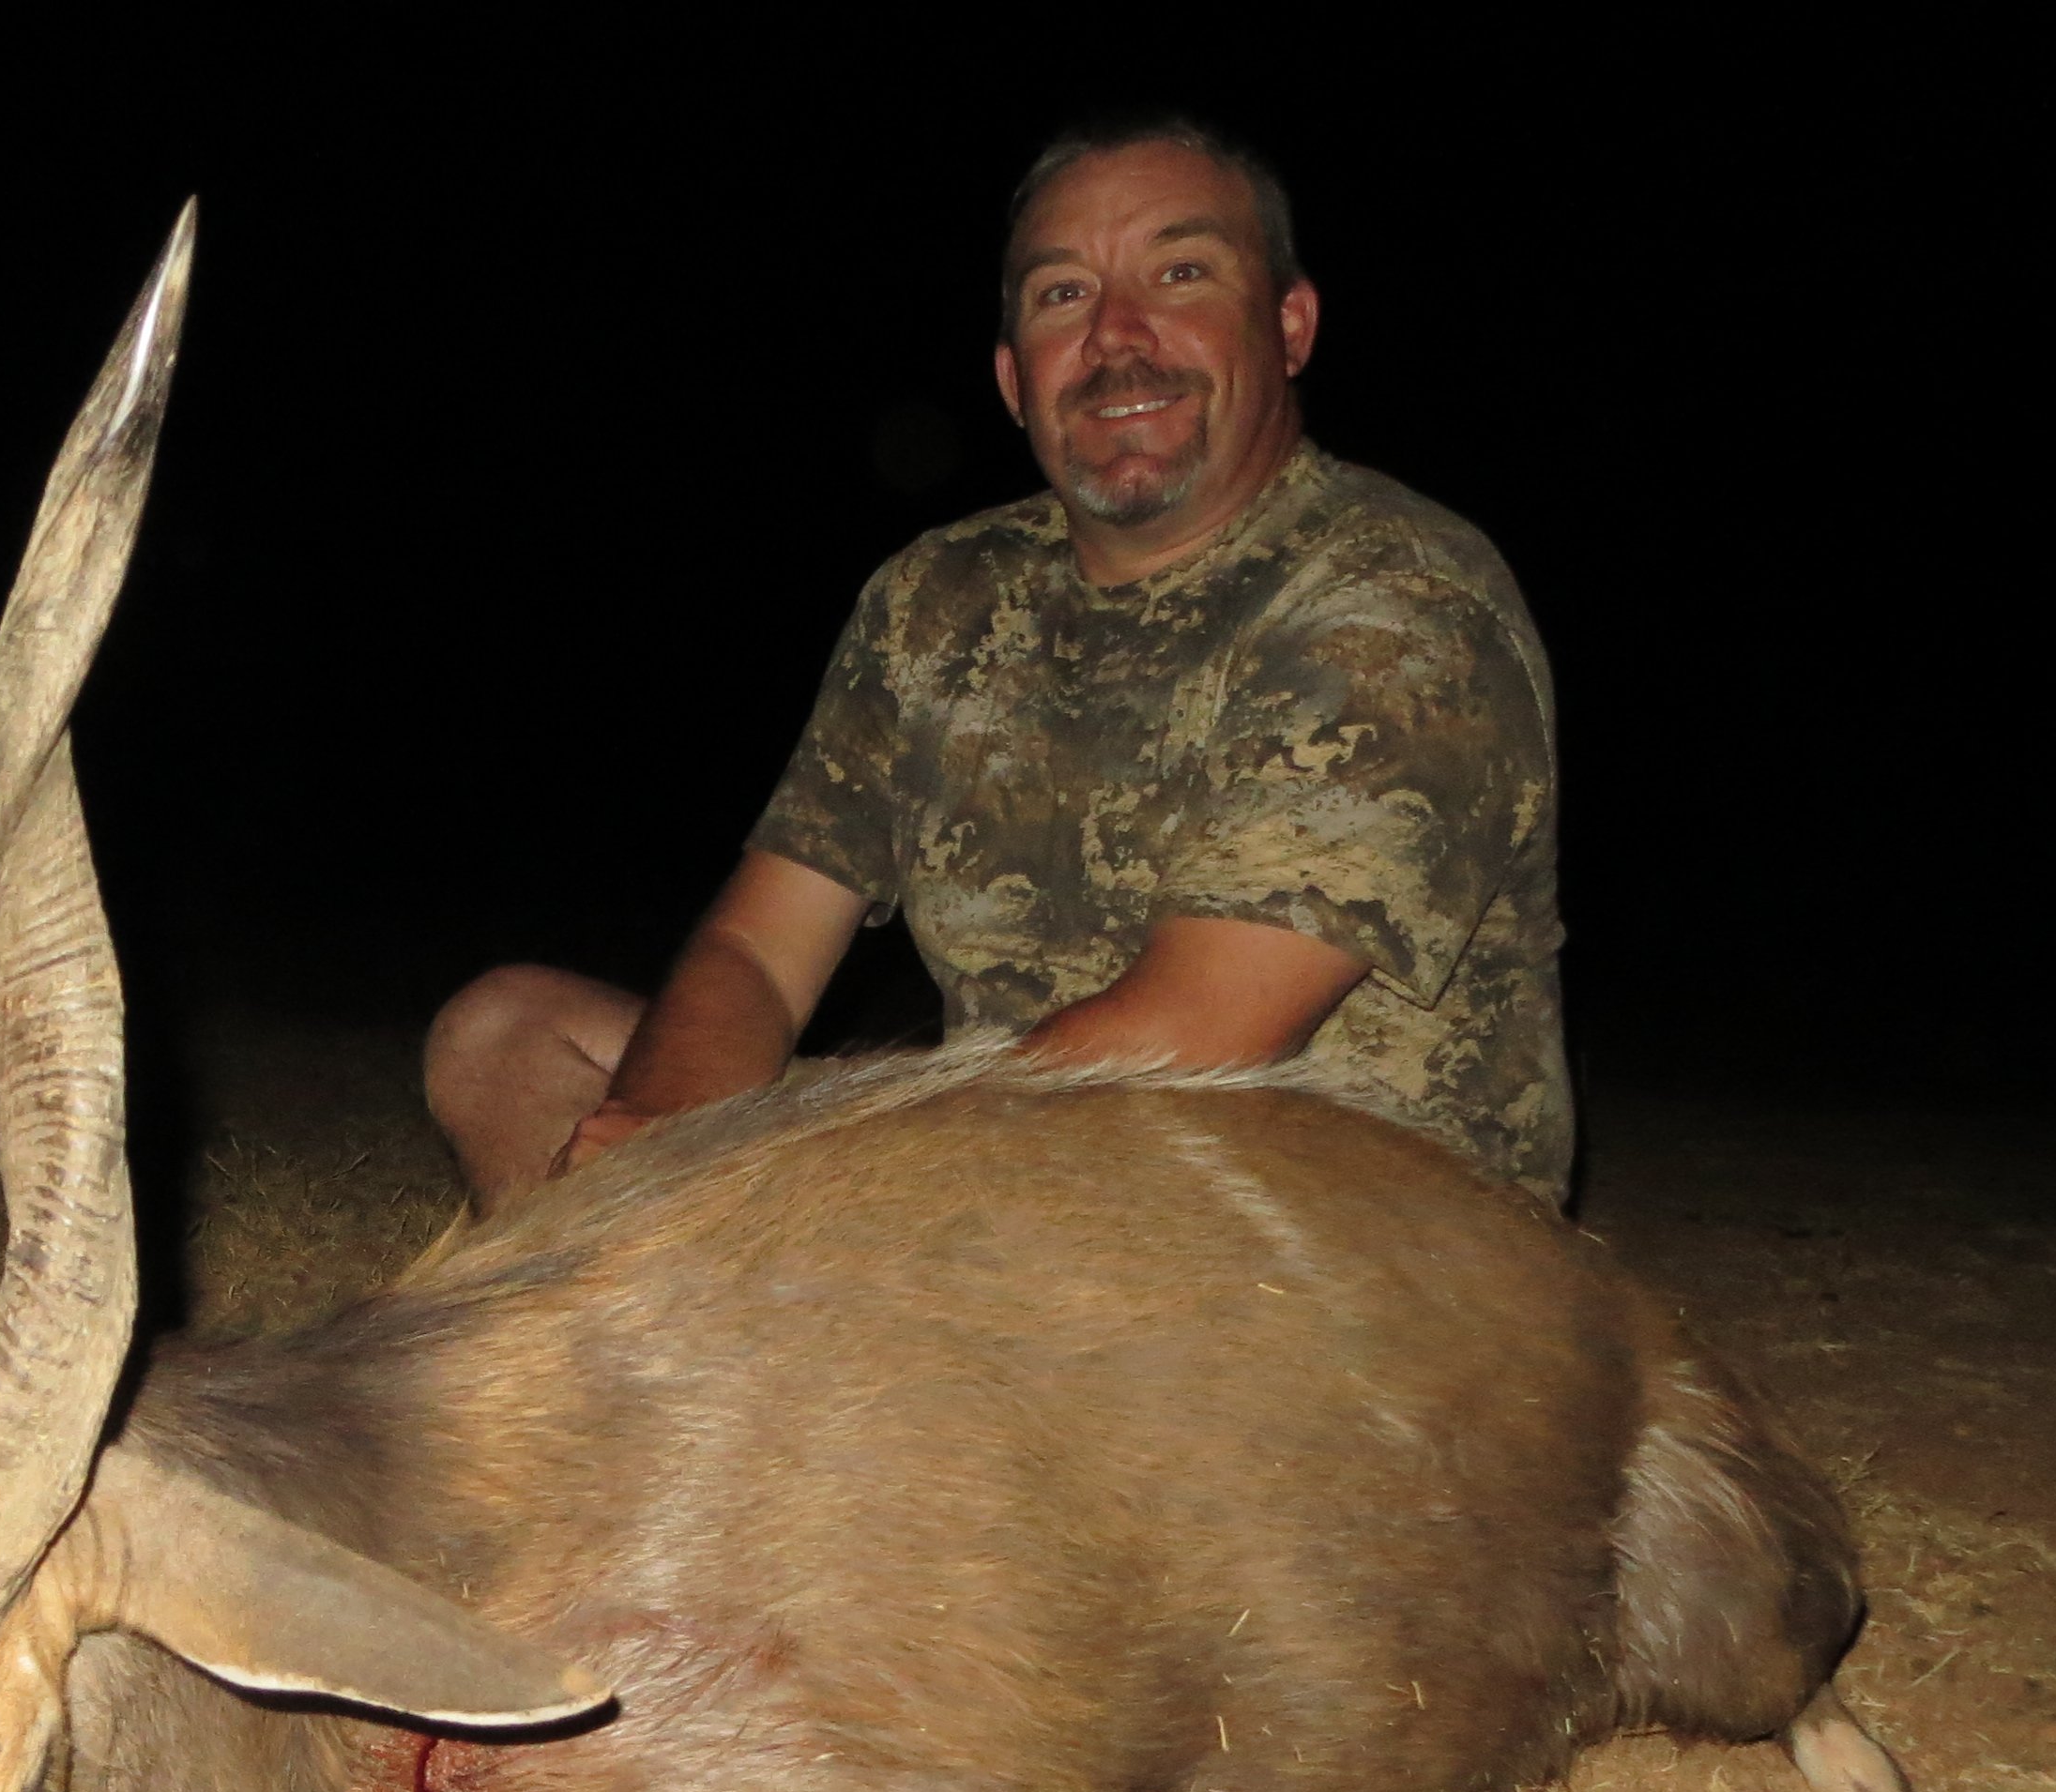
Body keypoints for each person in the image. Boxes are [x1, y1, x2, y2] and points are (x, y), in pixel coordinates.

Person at [426, 116, 1573, 1214]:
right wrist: (663, 1120)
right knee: (507, 1037)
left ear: (1288, 325)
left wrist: (812, 1172)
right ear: (1015, 376)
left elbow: (1192, 1038)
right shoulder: (938, 596)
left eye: (1180, 275)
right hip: (1000, 1170)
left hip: (1323, 1245)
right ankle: (660, 1337)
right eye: (1062, 294)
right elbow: (755, 952)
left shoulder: (1400, 595)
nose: (1117, 336)